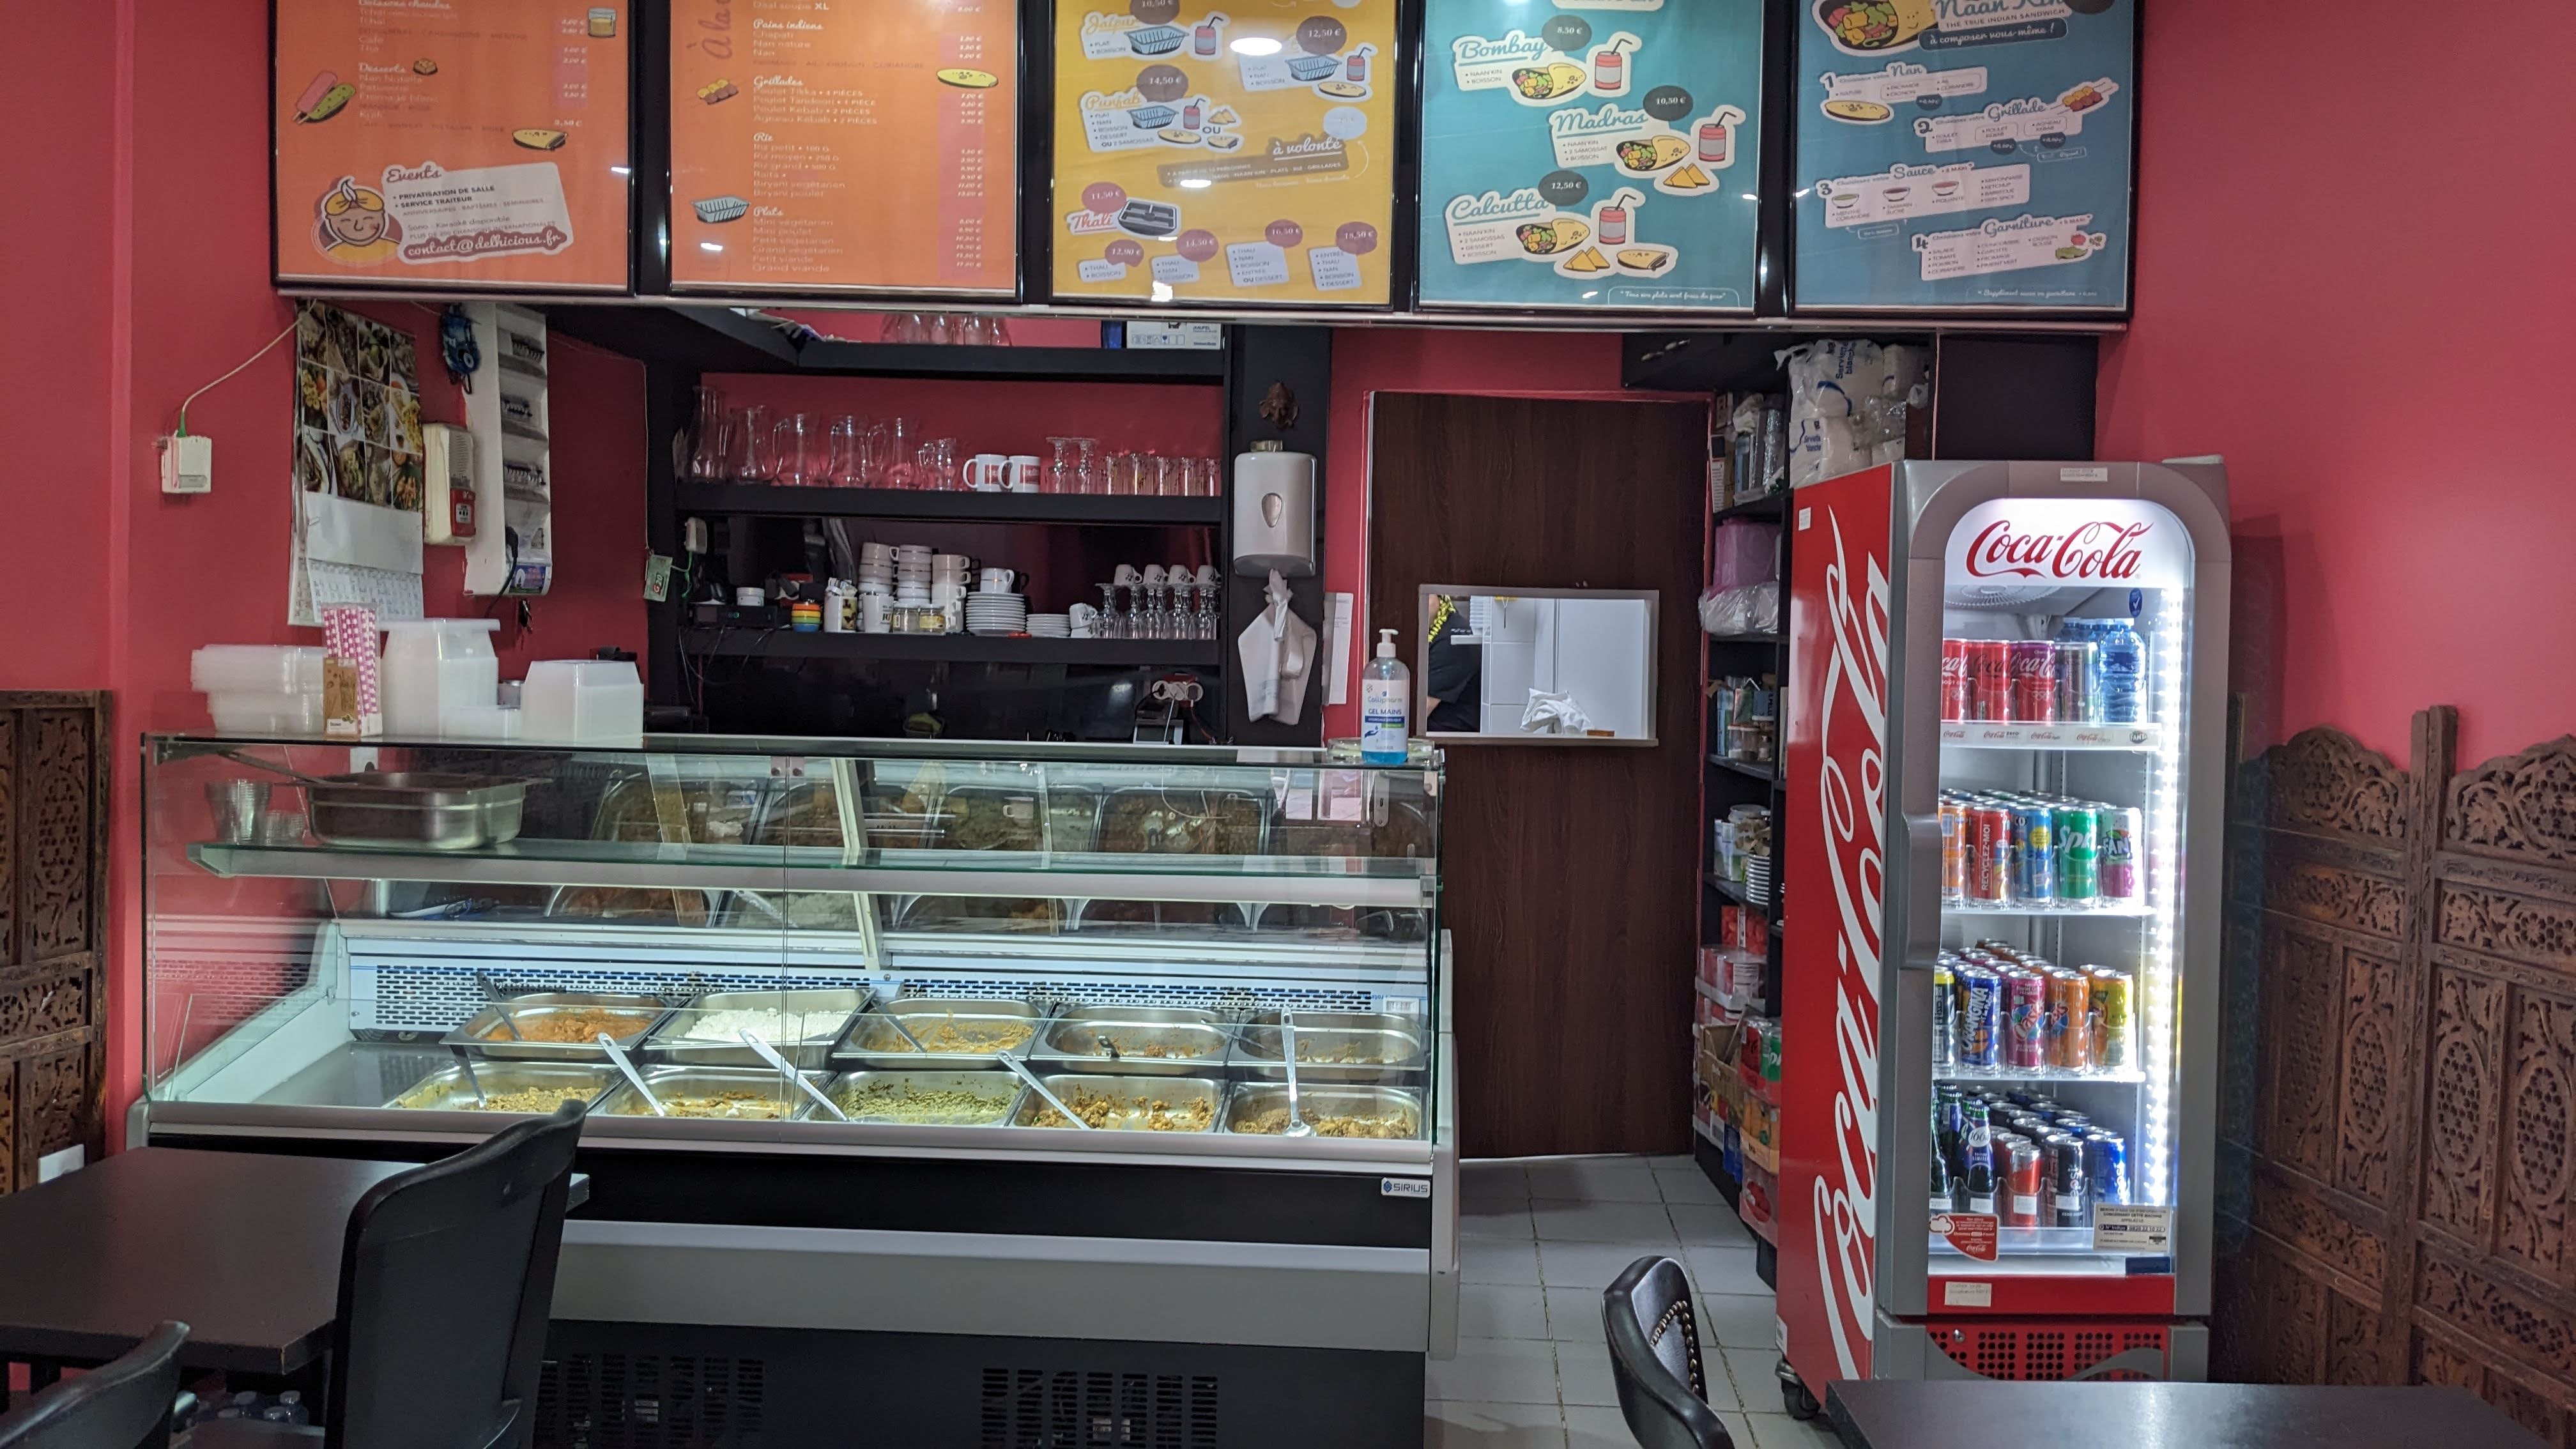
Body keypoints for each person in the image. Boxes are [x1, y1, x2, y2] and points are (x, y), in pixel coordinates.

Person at [1424, 594, 1481, 733]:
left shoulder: (1453, 638)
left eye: (1427, 598)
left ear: (1440, 596)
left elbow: (1423, 709)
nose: (1420, 606)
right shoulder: (1432, 630)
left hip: (1451, 737)